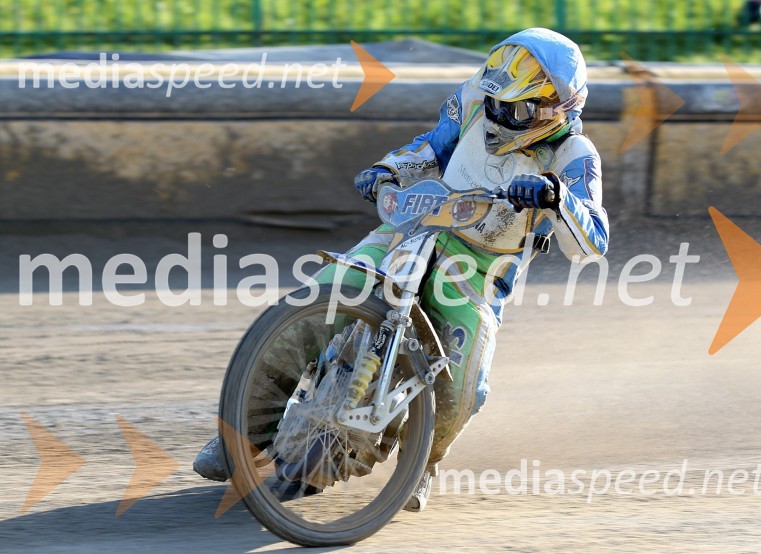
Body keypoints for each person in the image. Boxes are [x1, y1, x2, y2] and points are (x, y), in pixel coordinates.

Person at [194, 27, 609, 512]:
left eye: (514, 110)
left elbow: (593, 241)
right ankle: (241, 435)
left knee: (464, 388)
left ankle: (423, 461)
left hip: (475, 271)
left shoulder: (574, 155)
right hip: (412, 227)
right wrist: (389, 170)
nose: (499, 116)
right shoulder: (472, 102)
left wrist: (557, 196)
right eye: (495, 100)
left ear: (555, 108)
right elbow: (430, 148)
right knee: (316, 300)